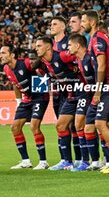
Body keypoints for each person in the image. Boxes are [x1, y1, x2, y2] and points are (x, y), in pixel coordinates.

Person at [81, 10, 109, 174]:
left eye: (83, 21)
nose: (81, 24)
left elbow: (102, 65)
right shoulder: (97, 37)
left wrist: (98, 91)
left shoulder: (97, 38)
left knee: (100, 124)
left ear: (92, 22)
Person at [35, 36, 83, 170]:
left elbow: (82, 58)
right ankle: (67, 161)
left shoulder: (62, 56)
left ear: (48, 47)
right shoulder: (44, 62)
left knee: (83, 127)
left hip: (83, 92)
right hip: (70, 95)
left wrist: (79, 71)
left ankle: (90, 161)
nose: (36, 48)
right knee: (61, 126)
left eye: (39, 46)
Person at [0, 43, 50, 170]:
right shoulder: (6, 69)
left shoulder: (26, 63)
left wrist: (41, 82)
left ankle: (43, 161)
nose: (0, 56)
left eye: (3, 53)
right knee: (15, 127)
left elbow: (41, 69)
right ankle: (26, 161)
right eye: (0, 53)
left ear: (12, 55)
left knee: (34, 126)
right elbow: (15, 84)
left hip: (39, 97)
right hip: (26, 99)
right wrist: (18, 101)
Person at [51, 16, 82, 168]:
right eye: (51, 24)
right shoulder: (48, 44)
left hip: (71, 91)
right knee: (61, 126)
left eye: (55, 24)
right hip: (56, 91)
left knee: (74, 126)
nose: (52, 26)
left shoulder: (68, 43)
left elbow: (76, 62)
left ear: (63, 27)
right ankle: (65, 159)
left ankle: (79, 158)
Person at [67, 33, 100, 171]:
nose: (67, 47)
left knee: (104, 126)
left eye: (69, 45)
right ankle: (87, 161)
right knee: (79, 124)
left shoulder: (90, 58)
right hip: (87, 94)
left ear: (78, 45)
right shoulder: (79, 60)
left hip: (100, 93)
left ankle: (108, 160)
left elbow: (100, 74)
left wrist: (99, 92)